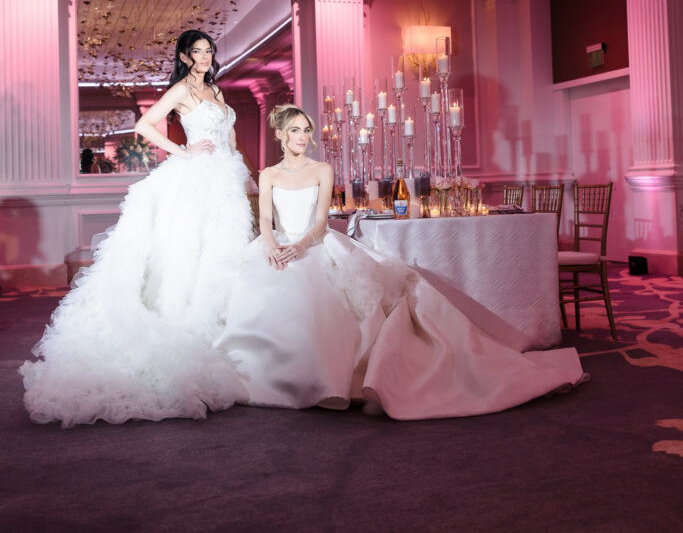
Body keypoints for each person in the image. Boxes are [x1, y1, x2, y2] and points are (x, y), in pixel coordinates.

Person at [214, 104, 585, 419]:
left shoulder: (321, 170)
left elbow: (321, 223)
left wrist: (300, 247)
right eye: (295, 130)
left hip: (314, 244)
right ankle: (271, 379)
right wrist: (270, 246)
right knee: (258, 290)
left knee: (325, 300)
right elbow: (264, 220)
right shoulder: (269, 175)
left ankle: (332, 378)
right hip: (275, 245)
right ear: (280, 134)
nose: (302, 136)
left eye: (306, 130)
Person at [21, 30, 254, 426]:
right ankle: (189, 324)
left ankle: (227, 326)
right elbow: (146, 125)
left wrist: (243, 167)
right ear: (184, 55)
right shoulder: (182, 89)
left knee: (223, 248)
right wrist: (183, 151)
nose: (203, 56)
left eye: (208, 50)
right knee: (189, 249)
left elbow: (229, 135)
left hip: (227, 176)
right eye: (196, 51)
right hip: (197, 176)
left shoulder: (216, 90)